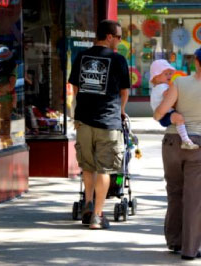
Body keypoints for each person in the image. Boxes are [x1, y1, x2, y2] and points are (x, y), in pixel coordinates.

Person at [153, 45, 201, 260]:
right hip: (200, 144)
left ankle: (174, 241)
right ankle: (190, 248)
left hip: (173, 142)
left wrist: (172, 114)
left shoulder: (179, 83)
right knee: (194, 197)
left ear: (196, 61)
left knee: (175, 192)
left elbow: (159, 114)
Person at [68, 20, 130, 230]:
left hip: (83, 121)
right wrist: (120, 112)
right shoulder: (118, 60)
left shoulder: (81, 57)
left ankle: (87, 202)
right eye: (119, 37)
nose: (120, 41)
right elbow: (124, 92)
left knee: (87, 166)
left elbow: (75, 87)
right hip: (108, 122)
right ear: (109, 36)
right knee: (104, 169)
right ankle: (97, 215)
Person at [149, 59, 198, 149]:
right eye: (165, 74)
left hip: (165, 112)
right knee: (179, 118)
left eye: (170, 73)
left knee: (181, 118)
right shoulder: (162, 87)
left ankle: (192, 138)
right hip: (164, 115)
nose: (169, 76)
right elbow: (169, 95)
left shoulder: (159, 86)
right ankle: (185, 140)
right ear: (156, 77)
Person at [0, 45, 18, 149]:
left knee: (3, 134)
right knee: (1, 133)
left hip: (3, 103)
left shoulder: (12, 69)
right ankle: (6, 154)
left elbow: (10, 86)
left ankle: (6, 155)